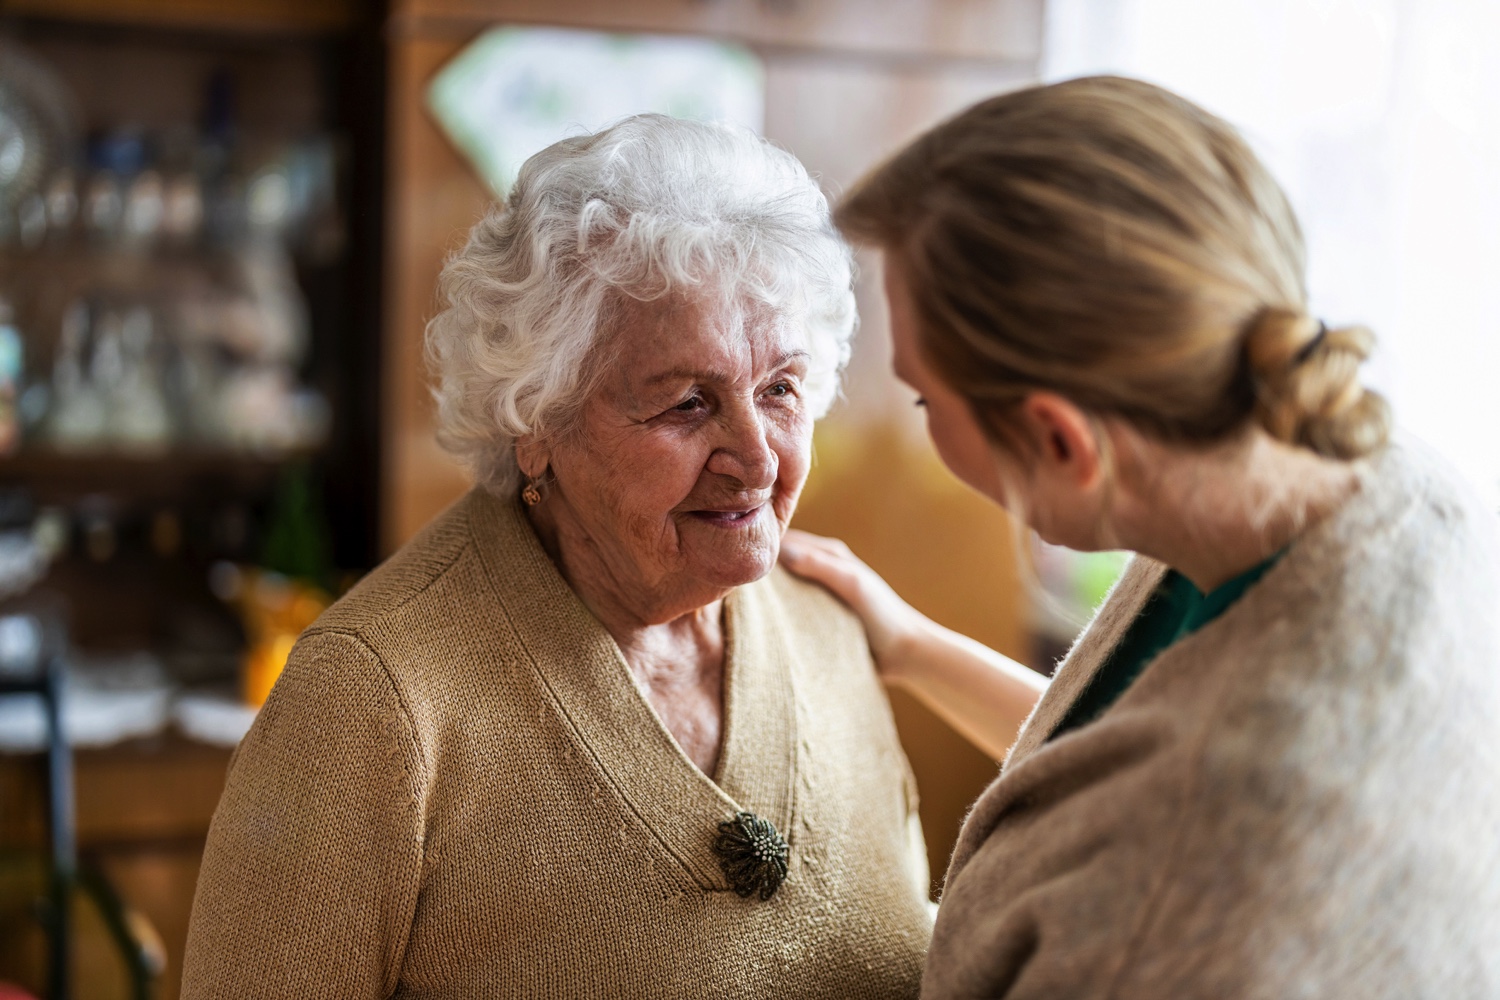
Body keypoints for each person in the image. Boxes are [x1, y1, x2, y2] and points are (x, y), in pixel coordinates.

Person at [181, 115, 933, 998]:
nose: (759, 459)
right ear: (535, 422)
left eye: (780, 390)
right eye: (688, 403)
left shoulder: (831, 630)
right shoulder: (373, 702)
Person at [782, 76, 1500, 999]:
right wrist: (911, 647)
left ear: (1059, 440)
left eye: (924, 396)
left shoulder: (1177, 903)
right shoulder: (1364, 474)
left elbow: (1163, 820)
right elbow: (1120, 759)